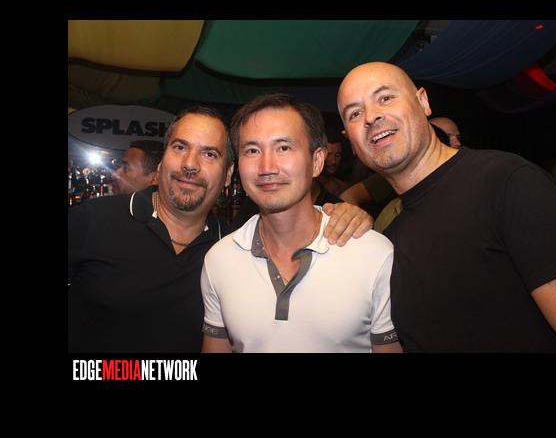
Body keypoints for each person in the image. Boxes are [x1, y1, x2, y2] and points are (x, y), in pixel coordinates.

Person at [68, 105, 372, 353]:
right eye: (180, 147)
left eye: (209, 154)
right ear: (161, 164)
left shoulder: (234, 249)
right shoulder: (92, 220)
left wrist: (346, 216)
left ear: (228, 175)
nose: (190, 164)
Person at [337, 62, 556, 353]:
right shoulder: (388, 240)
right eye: (355, 113)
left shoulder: (506, 182)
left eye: (385, 98)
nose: (371, 116)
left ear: (423, 102)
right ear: (350, 141)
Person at [201, 94, 401, 353]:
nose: (267, 167)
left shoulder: (374, 255)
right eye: (252, 151)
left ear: (317, 161)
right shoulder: (219, 260)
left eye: (283, 147)